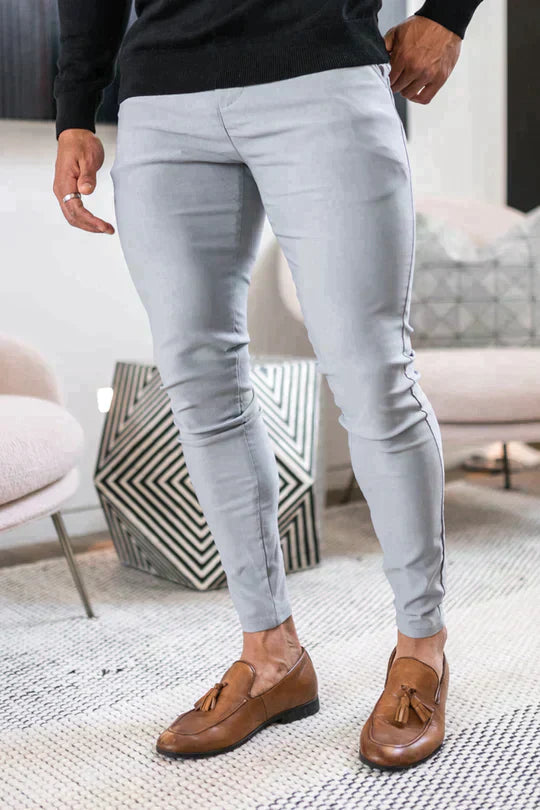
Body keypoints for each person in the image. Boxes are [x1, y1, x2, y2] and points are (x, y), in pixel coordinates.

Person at [53, 0, 483, 769]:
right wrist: (73, 110)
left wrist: (449, 15)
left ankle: (421, 650)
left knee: (372, 375)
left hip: (321, 70)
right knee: (201, 385)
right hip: (162, 96)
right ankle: (271, 655)